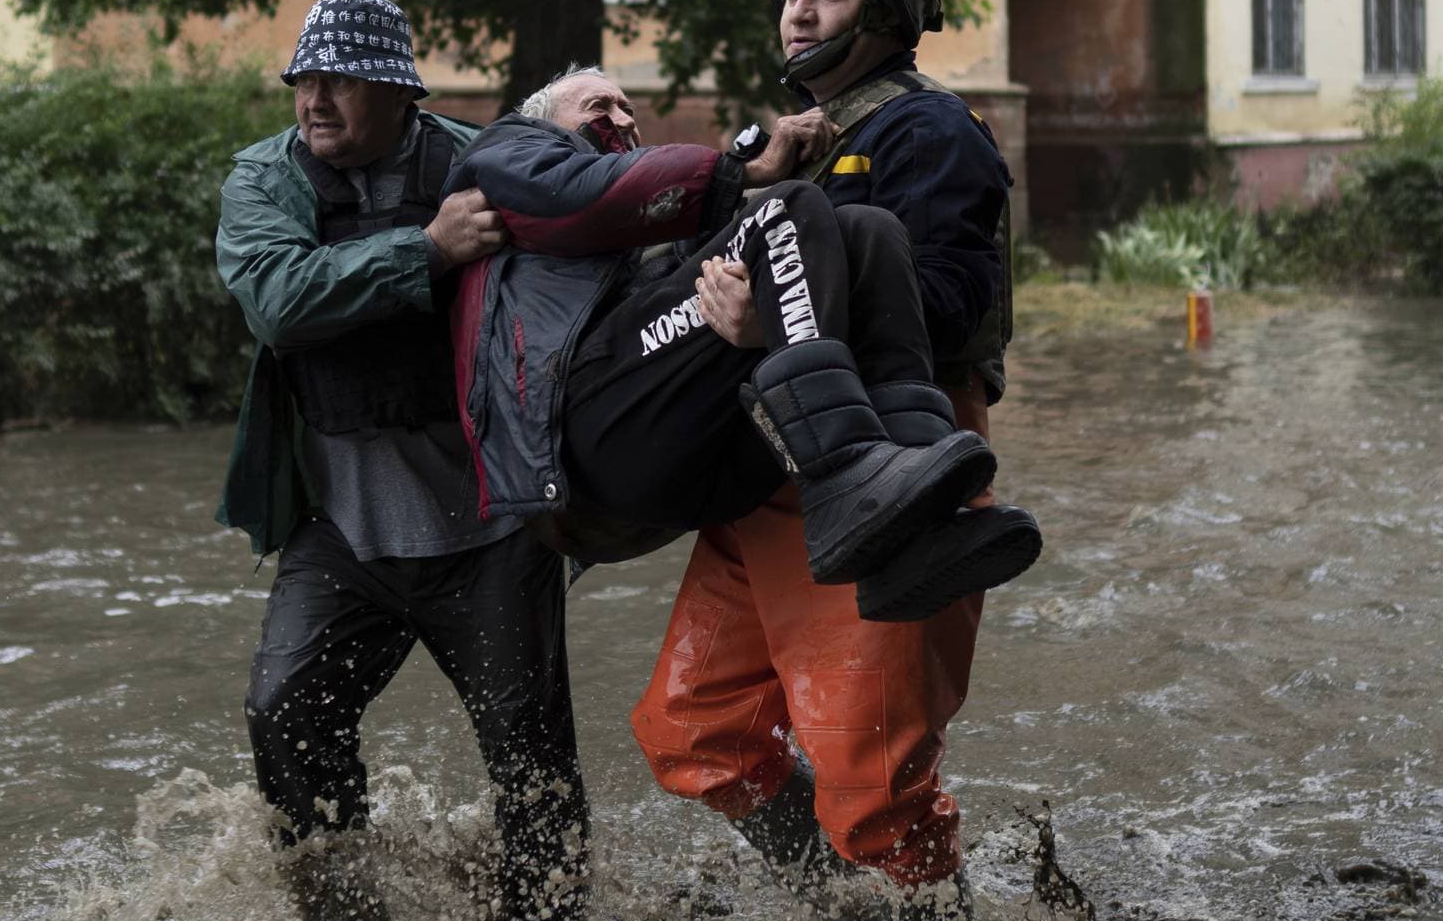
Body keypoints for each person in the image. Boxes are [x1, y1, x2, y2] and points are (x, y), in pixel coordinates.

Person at [628, 0, 1031, 921]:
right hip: (767, 471)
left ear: (887, 8)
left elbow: (944, 304)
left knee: (874, 785)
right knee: (692, 728)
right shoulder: (788, 140)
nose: (801, 12)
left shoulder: (931, 133)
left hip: (892, 471)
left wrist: (784, 319)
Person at [213, 0, 588, 921]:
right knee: (283, 710)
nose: (314, 99)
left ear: (398, 93)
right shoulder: (264, 178)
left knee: (532, 762)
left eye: (339, 81)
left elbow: (597, 240)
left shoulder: (482, 163)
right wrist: (426, 250)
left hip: (492, 530)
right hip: (344, 534)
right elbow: (277, 299)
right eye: (303, 80)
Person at [440, 66, 1040, 622]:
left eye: (628, 109)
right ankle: (842, 476)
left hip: (688, 454)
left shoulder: (648, 229)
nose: (622, 119)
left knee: (867, 228)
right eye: (600, 106)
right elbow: (575, 194)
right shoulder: (509, 150)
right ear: (544, 122)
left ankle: (922, 520)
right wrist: (743, 173)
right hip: (585, 443)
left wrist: (759, 314)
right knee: (788, 207)